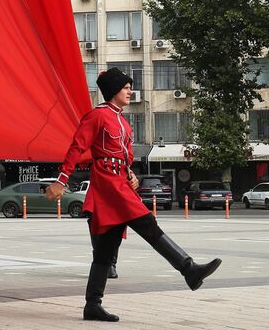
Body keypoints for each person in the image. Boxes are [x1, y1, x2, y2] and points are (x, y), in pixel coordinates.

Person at [46, 68, 221, 322]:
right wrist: (61, 180)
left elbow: (125, 156)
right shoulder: (97, 116)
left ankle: (92, 305)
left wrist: (130, 173)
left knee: (105, 250)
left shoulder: (124, 122)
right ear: (114, 90)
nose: (130, 91)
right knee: (147, 224)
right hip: (107, 184)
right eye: (126, 87)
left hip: (120, 183)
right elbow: (77, 147)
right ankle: (188, 269)